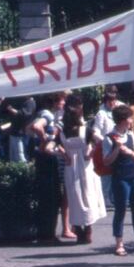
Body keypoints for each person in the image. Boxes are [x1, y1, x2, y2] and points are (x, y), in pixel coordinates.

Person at [57, 103, 106, 244]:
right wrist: (90, 152)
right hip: (82, 166)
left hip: (75, 167)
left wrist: (65, 155)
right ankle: (86, 231)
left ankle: (81, 231)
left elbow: (53, 146)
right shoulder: (83, 130)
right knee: (84, 197)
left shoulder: (65, 132)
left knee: (76, 198)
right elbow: (101, 142)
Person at [103, 104, 134, 256]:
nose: (131, 120)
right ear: (122, 120)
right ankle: (119, 243)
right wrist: (116, 149)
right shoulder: (109, 137)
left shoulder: (130, 135)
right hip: (120, 178)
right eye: (129, 118)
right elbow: (106, 161)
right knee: (120, 210)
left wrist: (127, 151)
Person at [31, 93, 73, 241]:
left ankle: (47, 232)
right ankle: (47, 234)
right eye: (63, 100)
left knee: (49, 196)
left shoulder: (46, 113)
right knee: (51, 196)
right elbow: (36, 127)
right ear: (55, 101)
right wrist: (44, 141)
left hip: (44, 157)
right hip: (46, 158)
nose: (64, 103)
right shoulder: (47, 115)